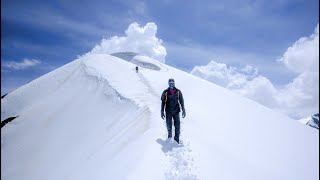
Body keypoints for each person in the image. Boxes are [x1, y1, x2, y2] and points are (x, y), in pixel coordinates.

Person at [161, 78, 186, 143]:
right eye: (170, 83)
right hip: (168, 111)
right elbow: (163, 102)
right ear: (168, 84)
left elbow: (181, 101)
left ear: (174, 83)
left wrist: (183, 110)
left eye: (172, 83)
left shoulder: (178, 91)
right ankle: (169, 136)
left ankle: (176, 140)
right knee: (169, 125)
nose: (171, 84)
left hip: (176, 111)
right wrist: (162, 111)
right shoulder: (165, 92)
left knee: (177, 125)